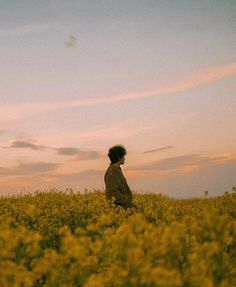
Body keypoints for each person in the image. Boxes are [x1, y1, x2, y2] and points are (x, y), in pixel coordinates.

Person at [104, 144, 136, 210]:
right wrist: (127, 202)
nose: (124, 158)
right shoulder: (111, 172)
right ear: (119, 158)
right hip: (118, 209)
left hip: (123, 208)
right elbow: (114, 193)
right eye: (123, 156)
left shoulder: (117, 170)